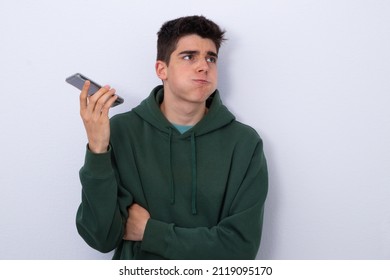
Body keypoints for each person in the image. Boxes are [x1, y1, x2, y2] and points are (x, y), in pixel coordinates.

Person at [76, 15, 268, 260]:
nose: (204, 66)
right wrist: (98, 149)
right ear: (161, 69)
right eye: (189, 56)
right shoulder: (123, 131)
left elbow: (241, 249)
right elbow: (100, 237)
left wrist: (150, 232)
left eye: (211, 58)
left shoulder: (244, 143)